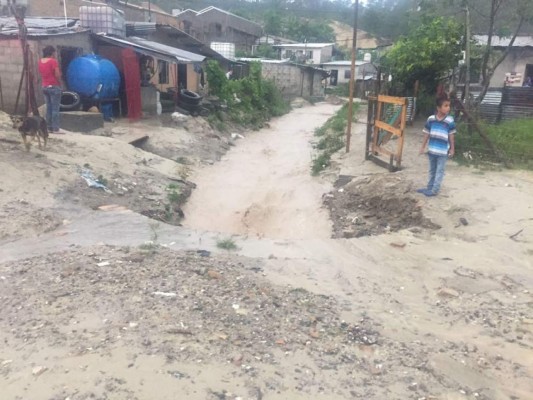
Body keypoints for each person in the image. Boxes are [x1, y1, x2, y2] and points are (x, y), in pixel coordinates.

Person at [417, 94, 456, 197]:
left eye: (449, 105)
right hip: (432, 150)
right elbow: (426, 133)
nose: (448, 108)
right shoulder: (431, 119)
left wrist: (452, 148)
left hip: (443, 151)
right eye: (446, 105)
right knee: (432, 170)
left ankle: (435, 190)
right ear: (438, 108)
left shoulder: (450, 120)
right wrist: (422, 146)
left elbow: (451, 136)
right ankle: (429, 187)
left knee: (440, 171)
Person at [38, 45, 63, 133]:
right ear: (52, 52)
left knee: (49, 108)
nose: (55, 53)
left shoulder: (40, 61)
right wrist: (60, 84)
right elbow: (57, 74)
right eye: (54, 52)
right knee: (55, 109)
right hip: (54, 86)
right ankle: (56, 128)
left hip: (44, 86)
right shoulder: (53, 61)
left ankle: (49, 128)